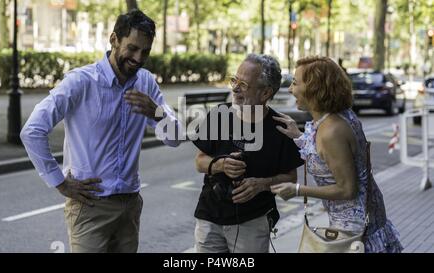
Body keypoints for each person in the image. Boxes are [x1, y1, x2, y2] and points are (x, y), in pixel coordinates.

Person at [20, 9, 181, 253]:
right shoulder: (81, 82)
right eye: (132, 48)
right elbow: (32, 130)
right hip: (90, 207)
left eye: (145, 51)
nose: (138, 58)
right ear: (114, 39)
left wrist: (157, 112)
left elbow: (176, 138)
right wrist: (60, 182)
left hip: (129, 204)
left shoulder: (146, 82)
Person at [271, 56, 403, 253]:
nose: (291, 89)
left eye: (295, 83)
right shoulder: (338, 116)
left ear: (315, 88)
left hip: (355, 233)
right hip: (363, 223)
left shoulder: (332, 131)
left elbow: (347, 189)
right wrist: (299, 136)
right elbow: (327, 155)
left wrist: (297, 189)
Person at [192, 54, 304, 253]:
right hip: (209, 217)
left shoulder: (282, 128)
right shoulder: (219, 115)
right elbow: (200, 161)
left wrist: (261, 185)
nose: (235, 88)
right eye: (234, 80)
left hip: (253, 222)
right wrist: (220, 164)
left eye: (243, 84)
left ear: (265, 93)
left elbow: (290, 177)